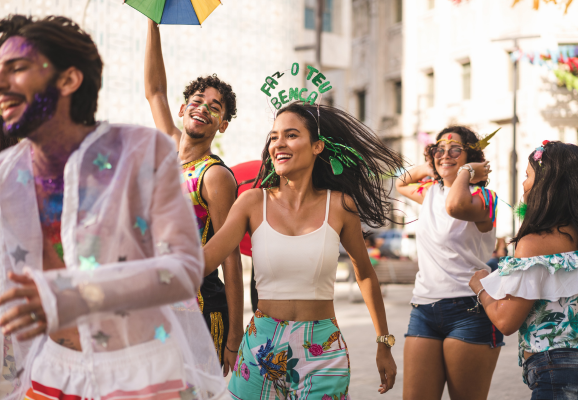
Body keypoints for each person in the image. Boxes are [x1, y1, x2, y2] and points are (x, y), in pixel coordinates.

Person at [0, 15, 224, 399]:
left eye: (16, 68)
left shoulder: (141, 151)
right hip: (49, 372)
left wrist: (68, 292)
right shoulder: (7, 172)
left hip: (139, 374)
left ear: (69, 80)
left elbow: (184, 271)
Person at [201, 102, 400, 398]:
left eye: (291, 135)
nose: (278, 143)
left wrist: (383, 342)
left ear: (317, 146)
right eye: (274, 136)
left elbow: (366, 274)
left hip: (322, 349)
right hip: (260, 345)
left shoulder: (340, 206)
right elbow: (204, 261)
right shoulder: (252, 203)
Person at [144, 19, 243, 374]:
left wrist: (234, 336)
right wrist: (153, 21)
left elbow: (230, 257)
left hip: (197, 306)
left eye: (215, 106)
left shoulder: (214, 176)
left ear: (223, 124)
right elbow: (155, 90)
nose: (203, 107)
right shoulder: (169, 147)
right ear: (184, 108)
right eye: (197, 100)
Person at [469, 141, 578, 400]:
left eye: (528, 175)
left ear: (548, 184)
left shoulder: (534, 243)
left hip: (560, 373)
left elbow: (506, 321)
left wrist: (480, 287)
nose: (524, 184)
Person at [396, 126, 502, 400]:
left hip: (469, 309)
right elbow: (400, 181)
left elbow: (454, 207)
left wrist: (466, 173)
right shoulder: (431, 192)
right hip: (423, 308)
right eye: (439, 150)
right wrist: (431, 164)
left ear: (472, 157)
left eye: (455, 150)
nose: (446, 155)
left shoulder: (485, 198)